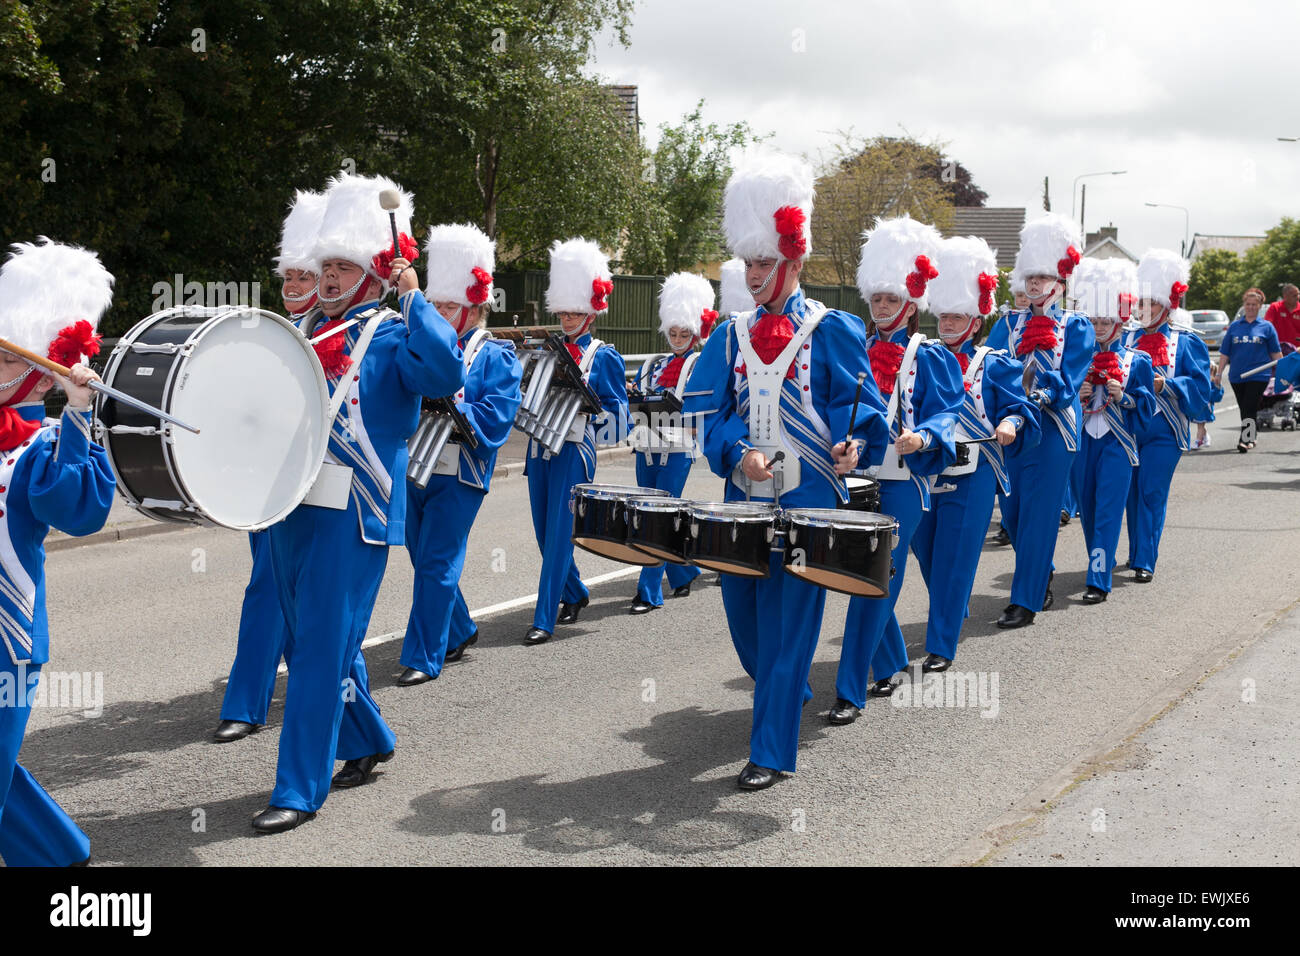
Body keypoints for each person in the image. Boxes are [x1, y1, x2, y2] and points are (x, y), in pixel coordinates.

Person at [251, 173, 465, 834]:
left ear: (374, 270)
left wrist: (415, 299)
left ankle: (299, 787)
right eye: (328, 265)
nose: (334, 277)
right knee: (308, 642)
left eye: (346, 265)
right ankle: (367, 734)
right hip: (292, 500)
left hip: (356, 508)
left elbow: (445, 373)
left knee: (319, 646)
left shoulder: (396, 334)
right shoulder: (302, 332)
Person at [683, 153, 888, 789]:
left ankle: (770, 750)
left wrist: (854, 443)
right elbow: (706, 417)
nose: (753, 275)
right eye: (748, 263)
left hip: (810, 503)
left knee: (786, 622)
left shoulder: (834, 330)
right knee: (745, 618)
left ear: (794, 263)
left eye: (765, 263)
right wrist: (732, 450)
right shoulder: (728, 334)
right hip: (743, 500)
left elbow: (866, 412)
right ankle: (786, 686)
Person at [0, 238, 116, 866]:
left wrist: (76, 414)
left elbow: (75, 511)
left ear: (34, 371)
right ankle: (60, 856)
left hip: (7, 638)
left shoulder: (40, 446)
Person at [831, 217, 962, 714]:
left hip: (906, 484)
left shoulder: (928, 355)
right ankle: (888, 666)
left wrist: (923, 436)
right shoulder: (854, 349)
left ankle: (849, 691)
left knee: (875, 576)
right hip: (858, 479)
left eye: (891, 300)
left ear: (910, 303)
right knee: (858, 572)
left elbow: (947, 412)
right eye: (877, 299)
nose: (882, 308)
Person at [213, 189, 324, 743]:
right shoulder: (273, 333)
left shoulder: (344, 333)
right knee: (266, 587)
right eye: (291, 278)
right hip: (269, 481)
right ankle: (247, 700)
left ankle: (313, 703)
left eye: (307, 277)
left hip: (321, 485)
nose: (297, 287)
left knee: (301, 600)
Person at [398, 224, 522, 685]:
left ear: (473, 308)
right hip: (417, 463)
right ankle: (461, 627)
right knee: (419, 553)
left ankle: (422, 657)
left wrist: (452, 402)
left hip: (461, 468)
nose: (441, 313)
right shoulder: (424, 345)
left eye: (450, 306)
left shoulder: (497, 355)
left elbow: (496, 418)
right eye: (436, 305)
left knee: (436, 560)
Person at [907, 236, 1039, 671]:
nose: (947, 323)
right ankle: (951, 607)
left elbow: (1021, 408)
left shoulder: (995, 361)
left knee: (956, 557)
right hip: (925, 469)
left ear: (975, 321)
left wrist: (1009, 423)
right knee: (925, 552)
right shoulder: (921, 357)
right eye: (943, 315)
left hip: (975, 470)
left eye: (956, 316)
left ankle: (941, 644)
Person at [990, 214, 1095, 628]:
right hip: (1011, 429)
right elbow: (990, 370)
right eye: (1030, 276)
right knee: (1013, 515)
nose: (1034, 284)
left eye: (1043, 276)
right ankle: (1041, 569)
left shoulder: (1076, 325)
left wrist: (1035, 397)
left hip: (1053, 430)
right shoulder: (1008, 324)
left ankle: (1025, 600)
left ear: (1061, 280)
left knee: (1038, 514)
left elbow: (1069, 378)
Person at [523, 239, 629, 645]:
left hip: (574, 448)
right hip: (538, 446)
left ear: (591, 311)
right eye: (564, 310)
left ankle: (543, 619)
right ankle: (576, 592)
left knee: (557, 535)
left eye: (575, 311)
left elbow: (619, 419)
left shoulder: (603, 356)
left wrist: (590, 412)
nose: (568, 318)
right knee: (541, 532)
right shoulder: (544, 349)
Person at [1121, 250, 1212, 582]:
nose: (1144, 310)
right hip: (1127, 428)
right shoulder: (1125, 338)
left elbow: (1202, 389)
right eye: (1140, 303)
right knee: (1130, 492)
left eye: (1152, 303)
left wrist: (1168, 385)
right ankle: (1135, 552)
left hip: (1165, 430)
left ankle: (1145, 559)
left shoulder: (1186, 342)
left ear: (1167, 305)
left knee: (1151, 491)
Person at [626, 272, 714, 614]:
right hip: (646, 444)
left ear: (695, 333)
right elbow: (642, 400)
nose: (678, 339)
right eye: (673, 333)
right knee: (647, 514)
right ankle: (683, 571)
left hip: (677, 449)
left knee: (658, 516)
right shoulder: (654, 364)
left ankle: (648, 591)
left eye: (684, 333)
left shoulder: (700, 365)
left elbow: (703, 407)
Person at [1068, 259, 1155, 603]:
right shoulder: (1077, 360)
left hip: (1118, 443)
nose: (1100, 327)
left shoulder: (1138, 360)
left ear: (1120, 322)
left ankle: (1098, 579)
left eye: (1106, 321)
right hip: (1084, 440)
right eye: (1095, 320)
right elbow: (1062, 397)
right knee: (1087, 508)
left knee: (1107, 508)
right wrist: (1077, 395)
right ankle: (1099, 560)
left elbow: (1147, 406)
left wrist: (1127, 398)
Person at [1215, 287, 1282, 453]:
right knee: (1245, 407)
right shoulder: (1235, 327)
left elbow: (1275, 352)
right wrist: (1218, 373)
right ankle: (1252, 435)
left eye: (1254, 304)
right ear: (1244, 305)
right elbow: (1225, 352)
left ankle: (1244, 439)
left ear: (1260, 306)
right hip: (1237, 375)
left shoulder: (1267, 327)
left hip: (1259, 374)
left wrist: (1283, 371)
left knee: (1249, 405)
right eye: (1248, 304)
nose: (1251, 307)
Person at [989, 272, 1029, 547]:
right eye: (1019, 294)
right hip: (1010, 406)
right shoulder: (1004, 324)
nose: (1024, 299)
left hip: (1042, 412)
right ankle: (1007, 523)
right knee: (1008, 474)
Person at [1264, 283, 1300, 348]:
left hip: (1297, 350)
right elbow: (1267, 326)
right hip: (1278, 349)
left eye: (1298, 294)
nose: (1297, 297)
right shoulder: (1275, 307)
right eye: (1294, 295)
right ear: (1285, 296)